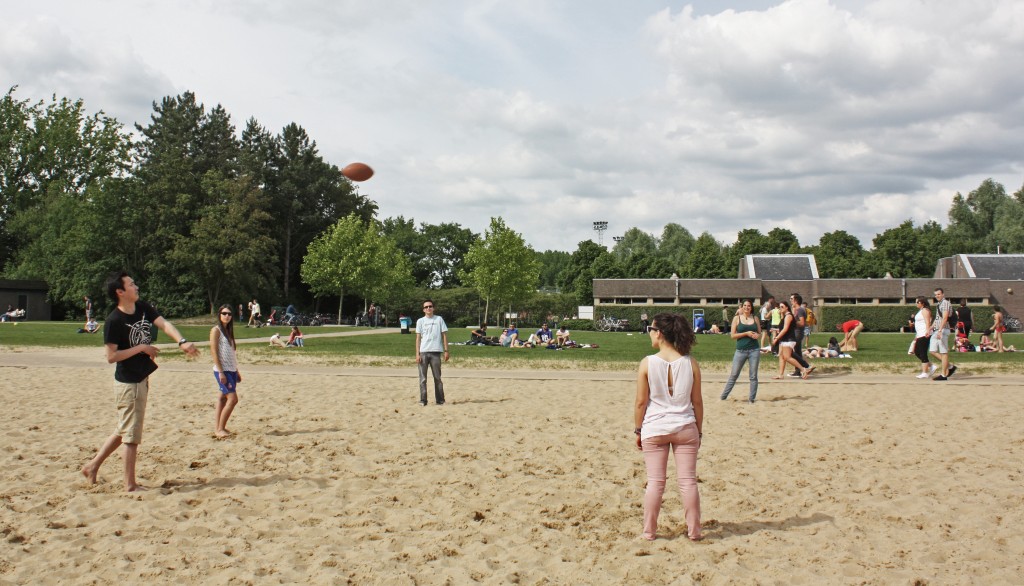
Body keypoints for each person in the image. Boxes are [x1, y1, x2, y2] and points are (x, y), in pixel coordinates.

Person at [81, 272, 199, 492]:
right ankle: (130, 484)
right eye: (131, 284)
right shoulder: (114, 320)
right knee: (131, 435)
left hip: (141, 378)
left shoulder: (142, 307)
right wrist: (142, 348)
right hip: (128, 383)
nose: (136, 286)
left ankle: (92, 466)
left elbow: (164, 324)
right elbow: (111, 357)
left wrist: (182, 341)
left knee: (124, 429)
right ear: (120, 291)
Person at [633, 312, 703, 542]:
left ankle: (649, 531)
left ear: (660, 333)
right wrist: (698, 430)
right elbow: (697, 401)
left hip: (655, 427)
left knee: (655, 482)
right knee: (687, 481)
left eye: (651, 330)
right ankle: (694, 531)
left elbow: (641, 402)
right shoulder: (691, 362)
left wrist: (638, 429)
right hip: (685, 425)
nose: (649, 335)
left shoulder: (647, 362)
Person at [720, 299, 762, 403]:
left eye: (749, 306)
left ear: (751, 307)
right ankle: (723, 397)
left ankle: (751, 399)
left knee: (753, 376)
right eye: (745, 305)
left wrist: (757, 335)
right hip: (741, 350)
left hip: (754, 350)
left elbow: (760, 333)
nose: (747, 307)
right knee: (734, 375)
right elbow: (733, 335)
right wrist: (746, 333)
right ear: (742, 307)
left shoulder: (755, 318)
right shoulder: (736, 318)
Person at [210, 304, 241, 438]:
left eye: (229, 314)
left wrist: (237, 370)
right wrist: (221, 372)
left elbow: (231, 354)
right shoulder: (216, 330)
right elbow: (214, 352)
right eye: (224, 313)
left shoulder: (229, 331)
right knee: (233, 399)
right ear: (219, 315)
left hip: (231, 370)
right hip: (223, 370)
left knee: (222, 398)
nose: (226, 316)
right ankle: (220, 429)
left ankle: (219, 428)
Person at [415, 299, 449, 406]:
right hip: (423, 352)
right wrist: (417, 354)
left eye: (430, 306)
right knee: (423, 379)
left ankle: (440, 400)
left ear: (433, 308)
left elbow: (444, 335)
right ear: (423, 310)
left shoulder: (439, 319)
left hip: (436, 352)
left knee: (437, 378)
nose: (428, 308)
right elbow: (418, 338)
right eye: (426, 307)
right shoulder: (420, 321)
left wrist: (446, 350)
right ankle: (423, 400)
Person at [773, 302, 810, 380]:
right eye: (780, 307)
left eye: (782, 307)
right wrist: (776, 330)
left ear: (787, 307)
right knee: (781, 357)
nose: (780, 308)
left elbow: (785, 329)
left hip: (788, 340)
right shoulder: (784, 316)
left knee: (787, 357)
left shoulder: (788, 316)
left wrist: (776, 338)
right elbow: (786, 328)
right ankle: (781, 375)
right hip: (784, 339)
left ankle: (803, 369)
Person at [930, 288, 957, 380]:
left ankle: (944, 375)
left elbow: (945, 318)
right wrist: (930, 328)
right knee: (932, 351)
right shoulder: (939, 304)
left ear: (943, 294)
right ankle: (950, 366)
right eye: (936, 294)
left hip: (943, 329)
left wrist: (940, 330)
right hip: (937, 329)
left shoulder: (945, 303)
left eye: (939, 294)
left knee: (943, 352)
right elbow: (938, 318)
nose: (937, 296)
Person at [788, 294, 814, 377]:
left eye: (791, 298)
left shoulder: (800, 310)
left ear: (795, 300)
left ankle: (805, 366)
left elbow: (802, 323)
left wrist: (792, 323)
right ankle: (799, 370)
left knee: (791, 352)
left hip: (797, 333)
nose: (790, 300)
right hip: (796, 332)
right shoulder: (796, 310)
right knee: (797, 352)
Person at [910, 296, 934, 379]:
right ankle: (931, 366)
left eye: (917, 302)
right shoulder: (921, 311)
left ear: (922, 303)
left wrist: (927, 331)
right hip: (920, 334)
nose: (916, 304)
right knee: (917, 352)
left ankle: (924, 372)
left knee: (923, 352)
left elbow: (928, 322)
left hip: (924, 334)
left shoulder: (925, 310)